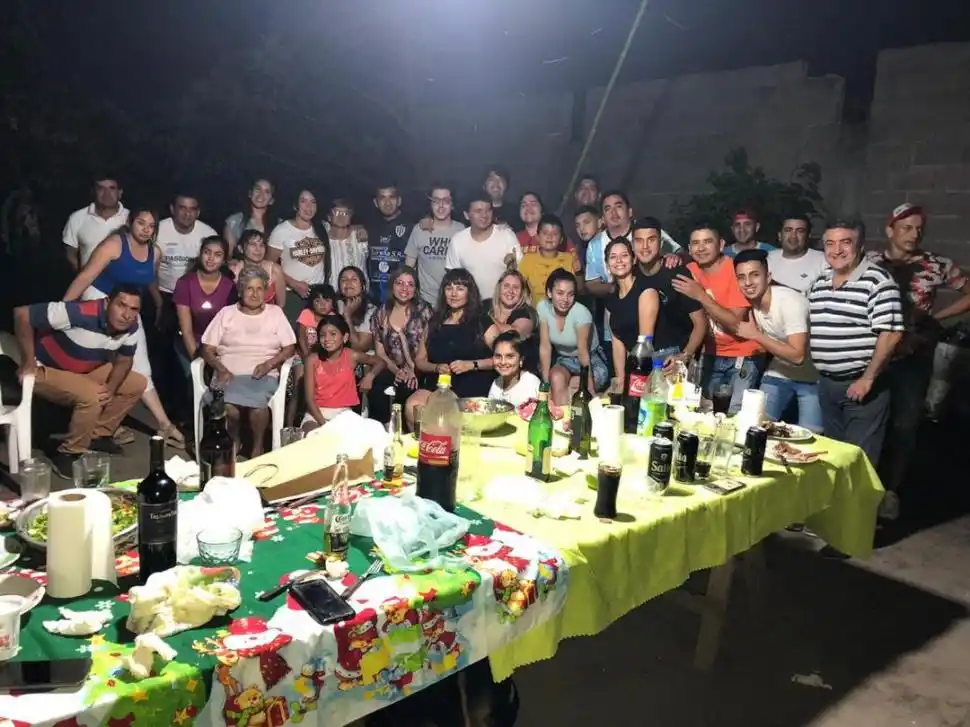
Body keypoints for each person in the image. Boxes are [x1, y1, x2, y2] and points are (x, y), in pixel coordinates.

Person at [868, 202, 970, 518]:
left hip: (913, 354)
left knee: (905, 423)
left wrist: (937, 318)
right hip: (872, 352)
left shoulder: (936, 264)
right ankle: (860, 488)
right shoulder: (870, 261)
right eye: (907, 228)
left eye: (918, 229)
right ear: (890, 229)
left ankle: (891, 491)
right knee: (871, 422)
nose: (914, 234)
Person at [63, 205, 185, 448]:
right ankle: (89, 424)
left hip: (128, 307)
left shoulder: (154, 252)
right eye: (141, 223)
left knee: (140, 367)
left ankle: (164, 424)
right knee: (98, 364)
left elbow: (150, 279)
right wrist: (64, 309)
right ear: (130, 222)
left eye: (151, 226)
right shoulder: (115, 244)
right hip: (98, 300)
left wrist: (160, 303)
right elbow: (86, 275)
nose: (146, 229)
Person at [13, 285, 147, 476]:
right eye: (121, 305)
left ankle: (97, 435)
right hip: (46, 368)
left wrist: (111, 387)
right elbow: (22, 314)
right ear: (108, 302)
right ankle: (68, 453)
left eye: (133, 309)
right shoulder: (79, 312)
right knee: (91, 395)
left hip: (84, 369)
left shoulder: (131, 327)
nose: (126, 315)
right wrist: (27, 362)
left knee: (137, 384)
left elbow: (125, 360)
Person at [807, 217, 903, 471]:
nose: (836, 250)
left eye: (845, 242)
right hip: (828, 385)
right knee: (832, 460)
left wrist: (868, 378)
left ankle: (862, 511)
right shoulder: (819, 283)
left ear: (860, 245)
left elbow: (891, 334)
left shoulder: (878, 282)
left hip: (861, 387)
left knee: (858, 466)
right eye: (830, 243)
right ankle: (836, 512)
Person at [200, 266, 297, 458]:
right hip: (228, 373)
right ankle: (234, 438)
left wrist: (269, 364)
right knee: (228, 406)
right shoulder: (226, 313)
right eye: (249, 289)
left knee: (258, 407)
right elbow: (206, 349)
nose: (254, 294)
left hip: (262, 375)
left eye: (259, 289)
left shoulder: (275, 313)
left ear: (266, 291)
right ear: (241, 290)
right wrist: (220, 368)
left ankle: (257, 447)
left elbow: (290, 347)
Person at [673, 223, 766, 414]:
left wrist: (701, 295)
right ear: (689, 249)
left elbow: (735, 323)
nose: (701, 248)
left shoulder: (734, 269)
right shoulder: (689, 270)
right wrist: (670, 258)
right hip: (710, 355)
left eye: (708, 242)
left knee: (735, 415)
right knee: (706, 413)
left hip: (744, 355)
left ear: (721, 244)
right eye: (695, 243)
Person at [732, 250, 822, 433]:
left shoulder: (790, 302)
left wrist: (756, 336)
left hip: (814, 378)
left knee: (812, 437)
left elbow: (798, 356)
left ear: (768, 276)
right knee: (756, 428)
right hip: (779, 372)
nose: (748, 282)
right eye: (742, 277)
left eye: (755, 275)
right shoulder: (752, 300)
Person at [407, 268, 494, 427]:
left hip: (471, 386)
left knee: (444, 414)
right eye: (449, 288)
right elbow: (420, 360)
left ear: (470, 292)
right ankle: (421, 447)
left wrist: (471, 365)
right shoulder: (435, 322)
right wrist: (435, 367)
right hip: (439, 385)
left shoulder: (482, 322)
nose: (453, 294)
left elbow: (503, 358)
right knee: (413, 406)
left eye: (460, 288)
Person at [631, 217, 706, 372]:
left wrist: (684, 356)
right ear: (633, 245)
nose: (645, 246)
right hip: (644, 360)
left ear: (661, 243)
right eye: (639, 241)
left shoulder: (676, 273)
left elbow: (700, 323)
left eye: (651, 240)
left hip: (675, 359)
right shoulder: (630, 276)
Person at [370, 267, 432, 424]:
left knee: (407, 387)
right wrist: (397, 371)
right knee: (378, 387)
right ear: (392, 285)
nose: (405, 288)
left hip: (420, 367)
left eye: (410, 284)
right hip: (393, 368)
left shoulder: (424, 311)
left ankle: (407, 434)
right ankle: (381, 433)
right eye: (400, 283)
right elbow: (380, 352)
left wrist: (413, 370)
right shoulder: (380, 313)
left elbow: (430, 348)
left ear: (415, 289)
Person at [538, 269, 609, 406]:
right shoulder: (543, 308)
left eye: (570, 294)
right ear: (549, 293)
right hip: (565, 360)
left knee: (574, 385)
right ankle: (560, 418)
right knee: (556, 378)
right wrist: (546, 385)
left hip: (591, 361)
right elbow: (545, 347)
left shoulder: (581, 313)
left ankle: (578, 421)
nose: (565, 299)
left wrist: (590, 390)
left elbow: (583, 352)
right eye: (560, 293)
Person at [302, 314, 385, 432]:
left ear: (345, 337)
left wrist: (369, 376)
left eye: (333, 334)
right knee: (311, 437)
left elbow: (380, 362)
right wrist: (324, 425)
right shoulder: (312, 360)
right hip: (316, 414)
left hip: (343, 414)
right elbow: (309, 399)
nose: (327, 339)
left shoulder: (352, 356)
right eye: (322, 335)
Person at [173, 236, 237, 376]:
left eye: (218, 255)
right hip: (191, 343)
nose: (211, 258)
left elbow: (230, 329)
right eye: (207, 252)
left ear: (225, 260)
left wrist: (216, 361)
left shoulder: (230, 286)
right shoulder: (185, 283)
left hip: (219, 346)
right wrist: (198, 364)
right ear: (200, 254)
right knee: (193, 383)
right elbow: (187, 330)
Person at [266, 189, 329, 323]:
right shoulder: (281, 230)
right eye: (303, 201)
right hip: (291, 295)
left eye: (313, 202)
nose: (308, 207)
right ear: (295, 205)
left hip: (318, 296)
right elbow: (268, 266)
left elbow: (344, 227)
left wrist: (360, 228)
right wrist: (293, 283)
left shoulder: (322, 228)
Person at [604, 238, 659, 387]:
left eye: (624, 255)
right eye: (613, 257)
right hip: (634, 367)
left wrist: (633, 386)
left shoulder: (646, 291)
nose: (619, 261)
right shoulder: (611, 300)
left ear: (634, 259)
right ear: (608, 265)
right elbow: (617, 343)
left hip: (657, 367)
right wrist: (621, 381)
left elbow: (645, 346)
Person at [445, 194, 521, 298]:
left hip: (503, 306)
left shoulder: (506, 236)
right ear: (467, 215)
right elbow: (453, 280)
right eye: (478, 211)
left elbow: (520, 273)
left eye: (488, 210)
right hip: (471, 309)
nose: (484, 215)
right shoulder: (457, 241)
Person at [405, 185, 466, 306]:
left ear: (452, 204)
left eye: (446, 201)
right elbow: (408, 268)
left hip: (455, 303)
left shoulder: (462, 231)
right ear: (430, 204)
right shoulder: (419, 229)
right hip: (424, 303)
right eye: (436, 201)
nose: (441, 205)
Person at [289, 284, 340, 426]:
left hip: (324, 360)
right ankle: (289, 426)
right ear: (312, 303)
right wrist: (307, 359)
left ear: (333, 302)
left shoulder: (333, 318)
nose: (323, 304)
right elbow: (301, 338)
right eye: (318, 301)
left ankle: (319, 418)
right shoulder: (307, 314)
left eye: (327, 300)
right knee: (299, 389)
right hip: (303, 357)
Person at [62, 174, 128, 272]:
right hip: (89, 284)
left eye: (112, 188)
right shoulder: (77, 218)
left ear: (120, 193)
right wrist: (82, 277)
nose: (107, 194)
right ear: (93, 192)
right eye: (101, 188)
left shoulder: (133, 219)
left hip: (124, 285)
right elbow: (70, 252)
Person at [518, 214, 582, 306]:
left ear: (561, 239)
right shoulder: (528, 259)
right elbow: (520, 288)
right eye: (545, 233)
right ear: (537, 237)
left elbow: (579, 290)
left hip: (564, 312)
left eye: (554, 234)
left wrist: (579, 272)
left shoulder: (569, 259)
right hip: (536, 314)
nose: (549, 237)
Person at [482, 270, 538, 371]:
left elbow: (514, 333)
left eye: (516, 288)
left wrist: (482, 318)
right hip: (488, 368)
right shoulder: (485, 306)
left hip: (519, 371)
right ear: (499, 288)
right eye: (506, 286)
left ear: (522, 292)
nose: (510, 291)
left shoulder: (527, 312)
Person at [367, 184, 411, 303]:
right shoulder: (368, 226)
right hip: (374, 299)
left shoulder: (413, 226)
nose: (387, 202)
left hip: (404, 297)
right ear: (376, 202)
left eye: (391, 197)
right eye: (382, 198)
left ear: (399, 201)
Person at [767, 215, 827, 294]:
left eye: (800, 231)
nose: (793, 236)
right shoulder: (766, 259)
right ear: (780, 235)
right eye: (788, 230)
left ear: (808, 236)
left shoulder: (823, 261)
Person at [228, 229, 286, 306]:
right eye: (253, 245)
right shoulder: (233, 271)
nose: (258, 249)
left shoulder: (274, 270)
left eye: (262, 245)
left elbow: (281, 305)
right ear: (241, 248)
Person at [489, 331, 541, 407]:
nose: (503, 362)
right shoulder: (496, 384)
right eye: (498, 356)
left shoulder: (530, 384)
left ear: (521, 359)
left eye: (510, 356)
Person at [326, 198, 368, 290]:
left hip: (360, 296)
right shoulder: (323, 239)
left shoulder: (360, 238)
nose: (342, 216)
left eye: (346, 213)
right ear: (329, 217)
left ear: (350, 217)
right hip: (333, 296)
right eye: (337, 213)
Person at [223, 179, 276, 250]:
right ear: (250, 193)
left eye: (267, 192)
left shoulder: (279, 225)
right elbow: (228, 255)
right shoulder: (234, 221)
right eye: (258, 189)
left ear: (271, 200)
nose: (261, 194)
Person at [336, 266, 376, 354]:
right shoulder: (334, 305)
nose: (348, 283)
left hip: (361, 359)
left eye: (354, 279)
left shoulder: (371, 310)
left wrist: (347, 316)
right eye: (343, 280)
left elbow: (360, 347)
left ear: (363, 285)